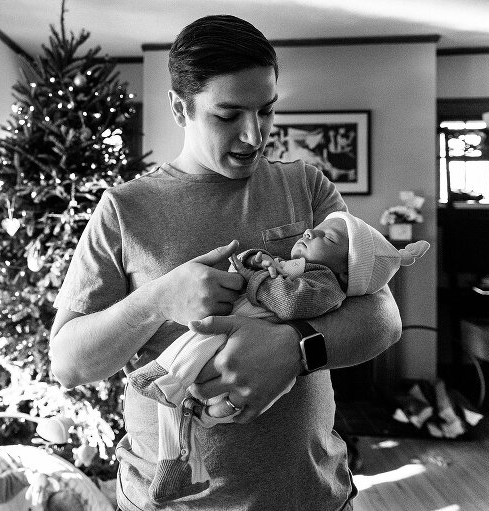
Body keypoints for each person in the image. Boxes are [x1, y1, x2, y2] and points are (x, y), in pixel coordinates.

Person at [49, 14, 402, 511]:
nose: (255, 136)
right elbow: (67, 362)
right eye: (228, 114)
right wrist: (155, 301)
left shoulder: (308, 187)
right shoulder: (124, 210)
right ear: (180, 107)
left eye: (267, 111)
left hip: (313, 497)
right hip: (163, 503)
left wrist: (294, 349)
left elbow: (383, 320)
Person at [128, 212, 429, 503]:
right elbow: (259, 272)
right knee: (178, 400)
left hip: (245, 342)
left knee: (200, 341)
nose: (310, 232)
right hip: (236, 340)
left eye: (329, 237)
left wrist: (257, 277)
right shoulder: (298, 268)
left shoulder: (326, 285)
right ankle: (180, 465)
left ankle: (167, 378)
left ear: (347, 271)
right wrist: (255, 261)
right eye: (315, 228)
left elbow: (289, 302)